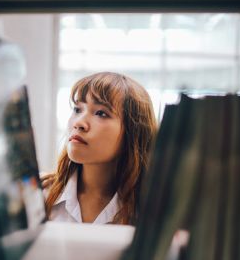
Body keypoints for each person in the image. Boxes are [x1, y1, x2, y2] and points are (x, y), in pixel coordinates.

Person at [43, 72, 158, 225]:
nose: (79, 123)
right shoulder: (40, 194)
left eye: (101, 113)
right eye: (77, 109)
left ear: (133, 134)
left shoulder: (150, 211)